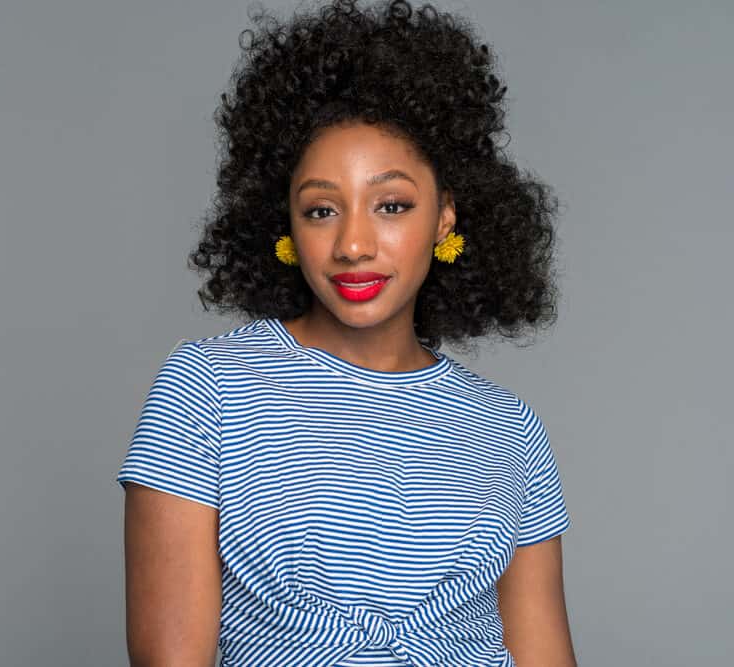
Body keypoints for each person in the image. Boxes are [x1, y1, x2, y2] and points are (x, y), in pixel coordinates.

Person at [116, 1, 577, 665]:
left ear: (445, 217)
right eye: (322, 208)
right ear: (287, 225)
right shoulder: (207, 391)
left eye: (392, 205)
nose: (353, 243)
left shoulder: (511, 429)